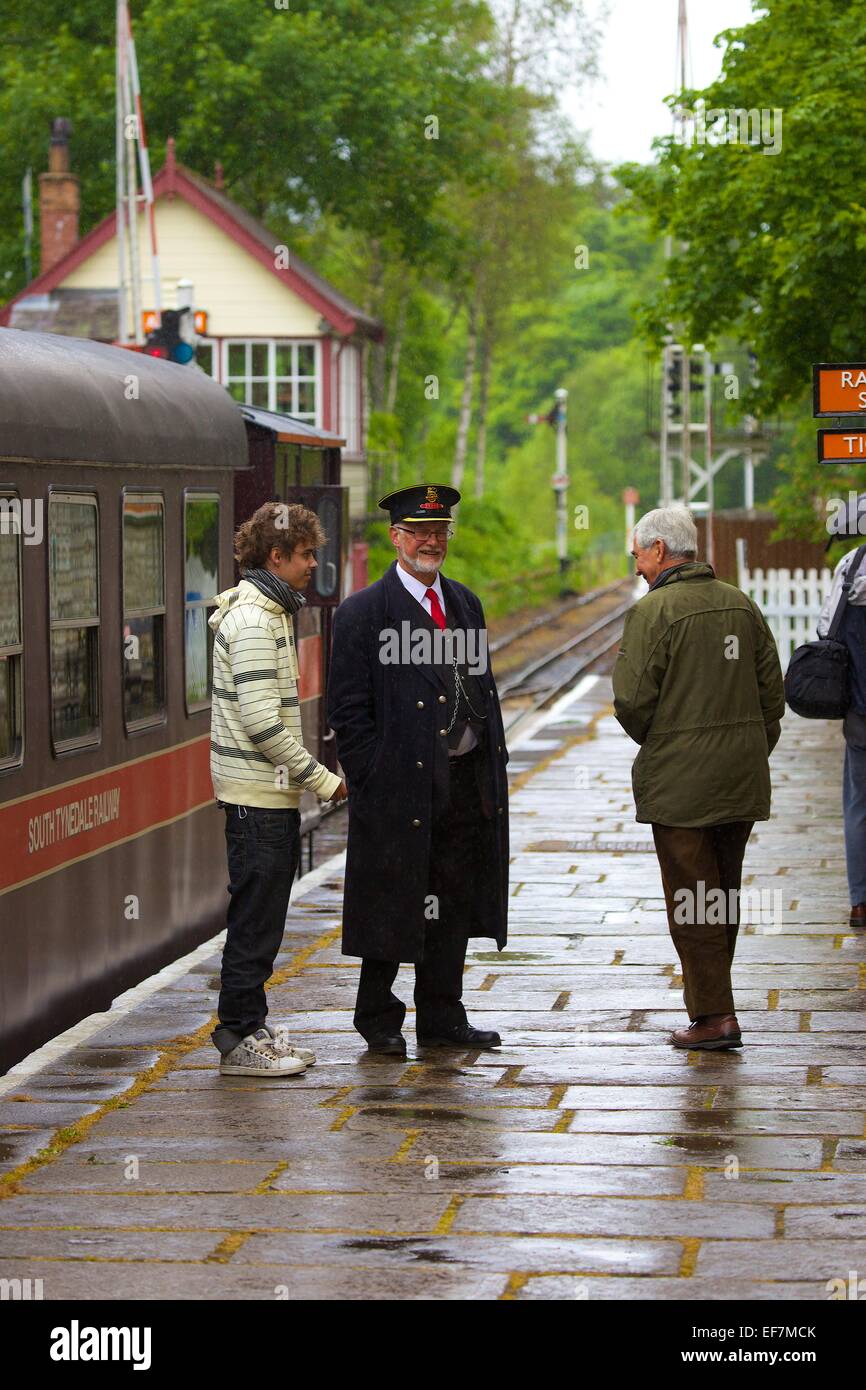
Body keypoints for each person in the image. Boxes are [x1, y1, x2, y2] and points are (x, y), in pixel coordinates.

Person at [327, 484, 509, 1055]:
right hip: (398, 786)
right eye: (419, 532)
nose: (431, 541)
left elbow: (478, 685)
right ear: (396, 537)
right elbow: (348, 711)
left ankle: (442, 1013)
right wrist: (371, 776)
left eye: (440, 532)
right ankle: (378, 1018)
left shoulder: (464, 604)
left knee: (451, 897)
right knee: (392, 896)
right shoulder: (362, 613)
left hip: (461, 781)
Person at [613, 505, 785, 1051]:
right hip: (739, 782)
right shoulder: (740, 604)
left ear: (659, 551)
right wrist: (746, 751)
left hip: (682, 788)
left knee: (693, 900)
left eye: (638, 554)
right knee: (722, 896)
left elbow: (631, 700)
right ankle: (717, 1006)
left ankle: (714, 1017)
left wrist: (667, 746)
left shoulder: (653, 613)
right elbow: (772, 699)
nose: (636, 565)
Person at [209, 502, 347, 1076]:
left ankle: (253, 1025)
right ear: (276, 555)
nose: (314, 563)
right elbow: (264, 724)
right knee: (255, 920)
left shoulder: (271, 612)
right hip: (257, 796)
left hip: (267, 794)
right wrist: (325, 782)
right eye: (306, 554)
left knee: (263, 918)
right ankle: (238, 1038)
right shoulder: (253, 622)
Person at [817, 537, 866, 927]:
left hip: (860, 708)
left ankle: (860, 903)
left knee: (858, 805)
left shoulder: (852, 564)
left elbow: (825, 629)